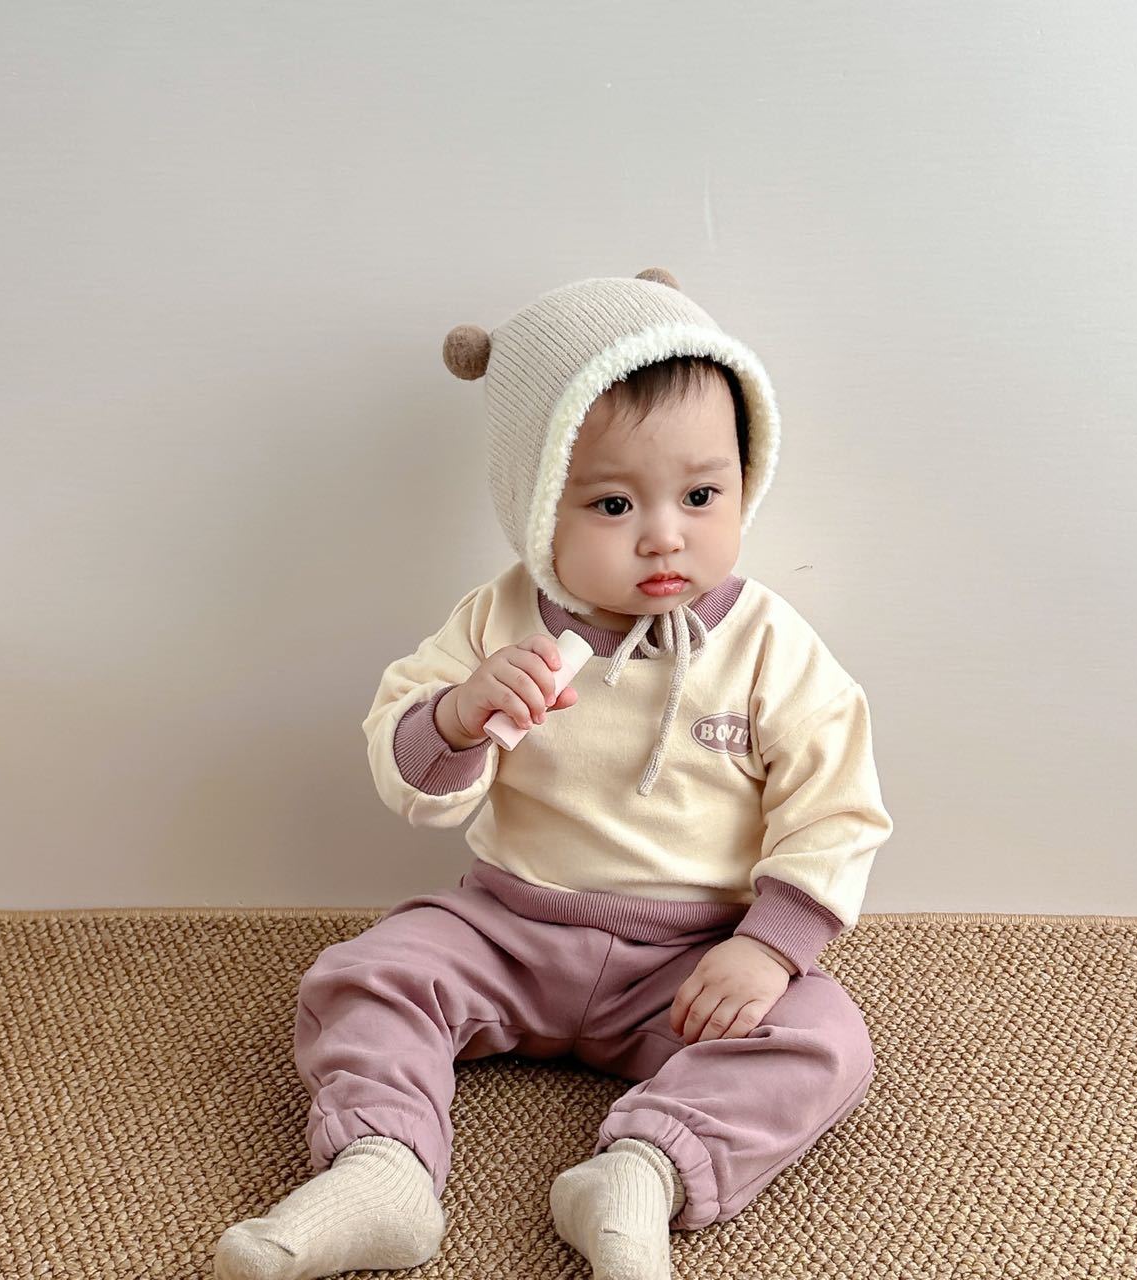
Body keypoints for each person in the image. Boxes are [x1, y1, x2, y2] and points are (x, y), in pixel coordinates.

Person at [214, 267, 894, 1280]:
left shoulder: (769, 645)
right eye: (613, 502)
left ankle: (639, 1173)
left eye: (701, 495)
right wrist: (459, 712)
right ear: (535, 508)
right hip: (508, 926)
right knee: (368, 974)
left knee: (825, 1036)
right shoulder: (497, 620)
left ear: (744, 482)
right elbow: (409, 775)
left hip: (690, 961)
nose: (664, 534)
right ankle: (383, 1166)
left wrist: (768, 947)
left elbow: (834, 808)